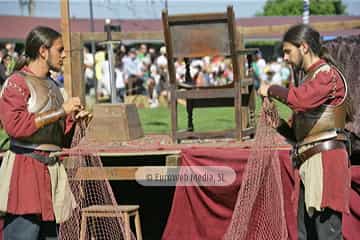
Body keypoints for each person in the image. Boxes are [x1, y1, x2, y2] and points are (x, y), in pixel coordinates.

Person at [258, 24, 353, 239]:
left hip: (326, 163)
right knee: (306, 234)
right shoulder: (309, 79)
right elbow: (297, 134)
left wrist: (270, 89)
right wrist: (278, 124)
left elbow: (300, 101)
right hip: (309, 163)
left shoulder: (327, 73)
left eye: (288, 51)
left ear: (304, 47)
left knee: (326, 234)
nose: (285, 57)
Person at [0, 26, 91, 240]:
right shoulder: (16, 83)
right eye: (59, 50)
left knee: (50, 236)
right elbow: (16, 127)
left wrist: (77, 123)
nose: (64, 55)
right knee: (23, 233)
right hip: (24, 170)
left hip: (51, 171)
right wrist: (61, 111)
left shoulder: (54, 86)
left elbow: (60, 140)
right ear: (43, 51)